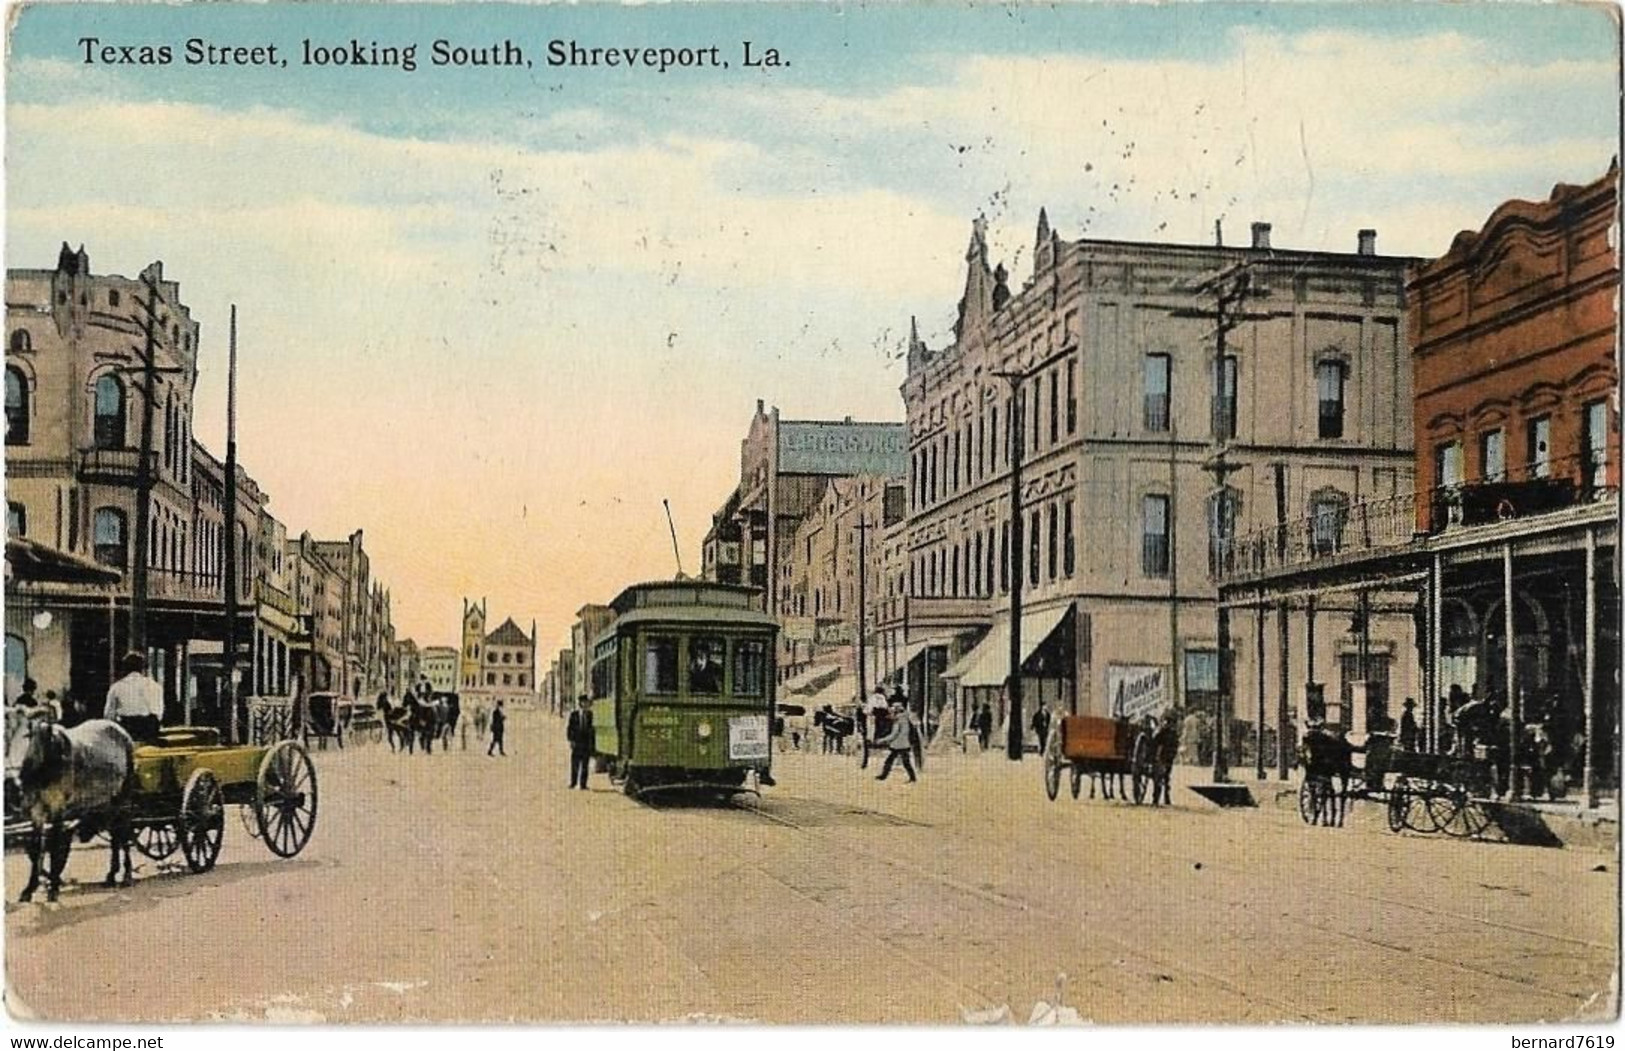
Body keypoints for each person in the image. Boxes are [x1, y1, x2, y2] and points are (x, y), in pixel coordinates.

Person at [104, 651, 164, 744]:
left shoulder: (116, 687)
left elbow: (109, 716)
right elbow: (159, 713)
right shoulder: (155, 686)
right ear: (143, 668)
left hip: (126, 732)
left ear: (125, 669)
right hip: (149, 733)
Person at [875, 699, 917, 783]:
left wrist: (882, 740)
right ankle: (912, 777)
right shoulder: (905, 719)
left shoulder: (898, 721)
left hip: (898, 744)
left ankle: (884, 776)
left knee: (891, 761)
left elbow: (894, 734)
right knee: (905, 762)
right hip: (904, 744)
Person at [566, 695, 593, 788]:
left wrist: (592, 744)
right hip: (577, 743)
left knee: (585, 764)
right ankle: (573, 782)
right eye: (584, 702)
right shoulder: (574, 715)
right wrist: (571, 740)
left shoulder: (590, 715)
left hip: (586, 743)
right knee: (575, 764)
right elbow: (570, 729)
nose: (586, 704)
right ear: (580, 703)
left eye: (587, 702)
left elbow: (592, 730)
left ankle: (583, 784)